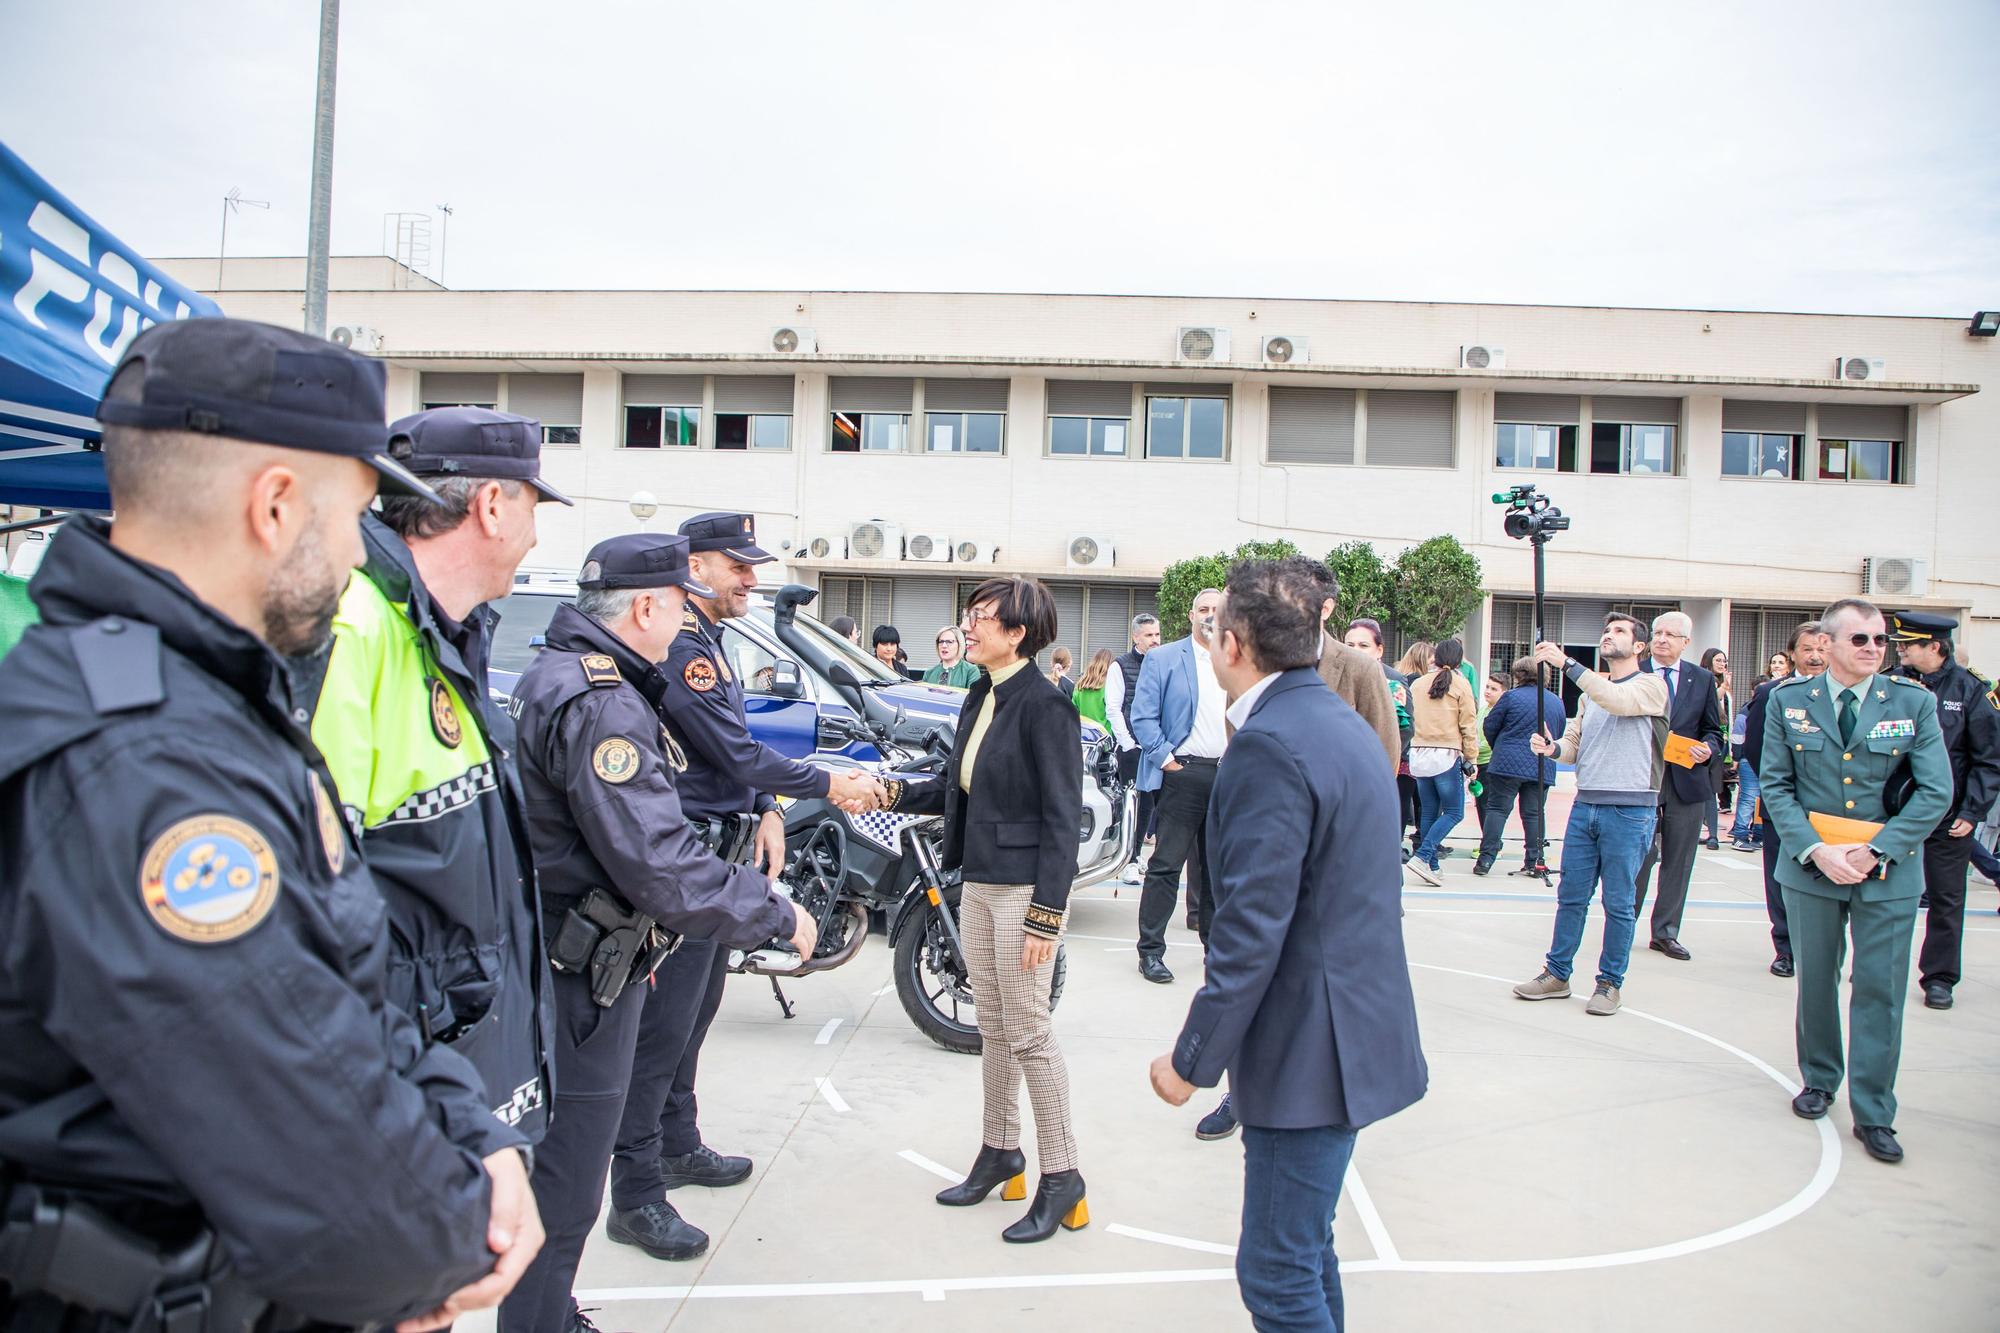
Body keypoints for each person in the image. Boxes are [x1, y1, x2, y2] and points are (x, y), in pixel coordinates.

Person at [0, 318, 542, 1328]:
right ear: (276, 504)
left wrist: (473, 1126)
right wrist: (451, 1234)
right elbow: (332, 1178)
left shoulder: (201, 703)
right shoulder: (147, 766)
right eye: (353, 516)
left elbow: (337, 983)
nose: (356, 551)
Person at [501, 533, 818, 1330]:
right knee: (570, 1176)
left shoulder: (559, 671)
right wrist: (775, 910)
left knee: (563, 1166)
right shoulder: (604, 700)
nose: (684, 621)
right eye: (678, 604)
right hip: (582, 966)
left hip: (558, 954)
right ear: (647, 605)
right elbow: (659, 861)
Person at [1148, 559, 1427, 1333]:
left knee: (1275, 1273)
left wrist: (1192, 1059)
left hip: (1312, 1045)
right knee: (1307, 1254)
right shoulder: (1339, 722)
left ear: (1231, 643)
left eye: (1212, 630)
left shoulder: (1272, 743)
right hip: (1350, 1031)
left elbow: (1249, 927)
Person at [607, 513, 882, 1262]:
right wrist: (830, 781)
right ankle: (633, 1194)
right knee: (663, 1028)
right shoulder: (683, 648)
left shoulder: (709, 642)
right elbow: (733, 747)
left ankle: (677, 1142)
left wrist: (762, 806)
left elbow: (728, 755)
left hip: (722, 848)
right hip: (685, 859)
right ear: (695, 566)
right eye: (740, 566)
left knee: (696, 1013)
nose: (752, 580)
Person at [311, 406, 569, 1150]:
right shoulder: (354, 627)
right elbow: (314, 916)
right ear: (491, 505)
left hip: (459, 1076)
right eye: (532, 505)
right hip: (403, 1111)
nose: (534, 535)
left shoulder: (447, 632)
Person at [876, 578, 1087, 1242]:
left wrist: (1048, 914)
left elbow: (1062, 818)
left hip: (1026, 889)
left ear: (1018, 632)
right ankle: (1001, 1149)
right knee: (993, 1025)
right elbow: (952, 788)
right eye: (969, 616)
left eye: (983, 618)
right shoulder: (981, 693)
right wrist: (883, 790)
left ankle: (1063, 1176)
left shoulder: (1046, 707)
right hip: (979, 883)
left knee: (1028, 1030)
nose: (970, 627)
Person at [1757, 597, 1951, 1164]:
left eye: (1879, 641)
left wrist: (1874, 851)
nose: (1873, 649)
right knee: (1816, 979)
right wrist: (1816, 850)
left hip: (1886, 873)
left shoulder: (1913, 702)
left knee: (1880, 991)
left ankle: (1873, 1111)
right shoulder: (1788, 701)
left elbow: (1937, 791)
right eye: (1859, 640)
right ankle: (1819, 1078)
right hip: (1812, 869)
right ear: (1829, 643)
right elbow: (1776, 784)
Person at [1513, 613, 1669, 1016]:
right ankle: (1557, 973)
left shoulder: (1651, 687)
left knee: (1619, 902)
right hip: (1587, 804)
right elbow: (1576, 745)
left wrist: (1567, 663)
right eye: (1606, 630)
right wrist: (1552, 749)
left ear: (1639, 647)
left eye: (1619, 631)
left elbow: (1616, 700)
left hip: (1631, 809)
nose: (1608, 635)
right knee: (1571, 897)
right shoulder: (1588, 697)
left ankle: (1609, 983)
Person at [1888, 610, 2000, 1010]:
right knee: (1881, 896)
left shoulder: (1970, 691)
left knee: (1947, 900)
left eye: (1908, 644)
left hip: (1948, 817)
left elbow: (1989, 759)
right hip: (1893, 815)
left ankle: (1939, 978)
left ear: (1934, 647)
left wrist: (1971, 812)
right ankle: (1880, 964)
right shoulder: (1891, 684)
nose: (1899, 649)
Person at [1130, 588, 1229, 983]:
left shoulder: (1240, 656)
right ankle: (1150, 951)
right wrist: (1166, 760)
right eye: (1203, 608)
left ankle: (1215, 950)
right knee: (1165, 866)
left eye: (1216, 610)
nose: (1209, 615)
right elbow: (1143, 717)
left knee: (1218, 870)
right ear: (1191, 615)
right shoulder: (1163, 658)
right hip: (1182, 774)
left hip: (1227, 776)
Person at [1740, 621, 1830, 975]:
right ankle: (1786, 948)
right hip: (1785, 805)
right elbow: (1756, 749)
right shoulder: (1772, 693)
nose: (1815, 656)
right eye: (1807, 649)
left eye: (1823, 648)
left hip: (1833, 811)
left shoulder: (1849, 696)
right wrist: (1782, 792)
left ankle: (1826, 947)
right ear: (1792, 654)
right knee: (1781, 879)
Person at [1632, 611, 1723, 960]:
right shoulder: (1634, 674)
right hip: (1641, 780)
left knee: (1679, 859)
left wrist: (1708, 750)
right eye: (1658, 632)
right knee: (1638, 856)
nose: (1662, 639)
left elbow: (1714, 730)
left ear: (1686, 642)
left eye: (1671, 634)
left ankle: (1665, 932)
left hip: (1686, 779)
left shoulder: (1700, 680)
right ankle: (1625, 923)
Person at [1281, 557, 1399, 774]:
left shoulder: (1362, 669)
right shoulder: (1255, 664)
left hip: (1340, 802)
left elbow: (1384, 750)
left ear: (1325, 609)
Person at [1477, 655, 1566, 876]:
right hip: (1541, 763)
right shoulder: (1556, 701)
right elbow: (1560, 733)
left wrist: (1500, 745)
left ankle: (1485, 859)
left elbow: (1490, 724)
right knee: (1534, 813)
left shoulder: (1510, 698)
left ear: (1519, 674)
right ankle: (1535, 861)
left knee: (1497, 809)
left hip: (1507, 762)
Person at [1405, 638, 1479, 886]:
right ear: (1459, 660)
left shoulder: (1417, 684)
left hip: (1419, 753)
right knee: (1454, 812)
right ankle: (1423, 856)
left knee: (1429, 810)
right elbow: (1468, 725)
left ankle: (1432, 866)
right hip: (1446, 754)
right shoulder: (1461, 684)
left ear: (1435, 657)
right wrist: (1471, 758)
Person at [1106, 612, 1163, 884]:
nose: (1155, 640)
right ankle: (1128, 859)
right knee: (1133, 804)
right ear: (1135, 637)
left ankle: (1138, 855)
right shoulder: (1120, 665)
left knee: (1151, 805)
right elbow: (1113, 708)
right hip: (1131, 748)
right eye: (1149, 635)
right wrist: (1128, 744)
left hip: (1157, 748)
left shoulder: (1164, 664)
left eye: (1157, 634)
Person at [1344, 617, 1413, 769]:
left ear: (1379, 650)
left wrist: (1383, 759)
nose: (1355, 650)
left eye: (1363, 645)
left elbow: (1406, 730)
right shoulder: (1337, 676)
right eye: (1350, 645)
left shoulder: (1393, 679)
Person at [1392, 640, 1435, 856]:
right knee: (1406, 799)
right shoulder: (1417, 682)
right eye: (1431, 661)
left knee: (1401, 799)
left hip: (1398, 749)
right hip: (1409, 751)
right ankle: (1398, 844)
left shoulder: (1397, 678)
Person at [1699, 646, 1735, 849]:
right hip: (1705, 740)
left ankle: (1712, 834)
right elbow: (1711, 701)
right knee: (1704, 789)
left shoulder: (1721, 683)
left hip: (1719, 741)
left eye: (1724, 661)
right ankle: (1709, 833)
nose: (1722, 664)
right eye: (1719, 660)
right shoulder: (1704, 680)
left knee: (1711, 788)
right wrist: (1724, 688)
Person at [1073, 647, 1115, 733]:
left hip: (1084, 734)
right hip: (1104, 735)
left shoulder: (1081, 684)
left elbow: (1073, 710)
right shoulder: (1109, 686)